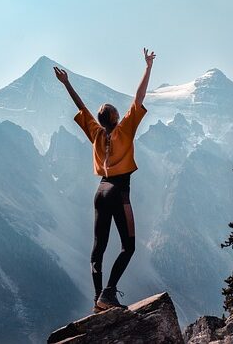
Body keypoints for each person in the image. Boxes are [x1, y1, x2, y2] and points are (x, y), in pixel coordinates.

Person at [53, 48, 155, 313]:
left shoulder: (96, 134)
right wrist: (147, 67)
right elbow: (139, 96)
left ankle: (98, 300)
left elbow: (81, 107)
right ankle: (109, 293)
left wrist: (67, 83)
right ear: (116, 117)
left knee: (98, 247)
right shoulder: (124, 130)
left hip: (100, 192)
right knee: (128, 246)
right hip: (119, 192)